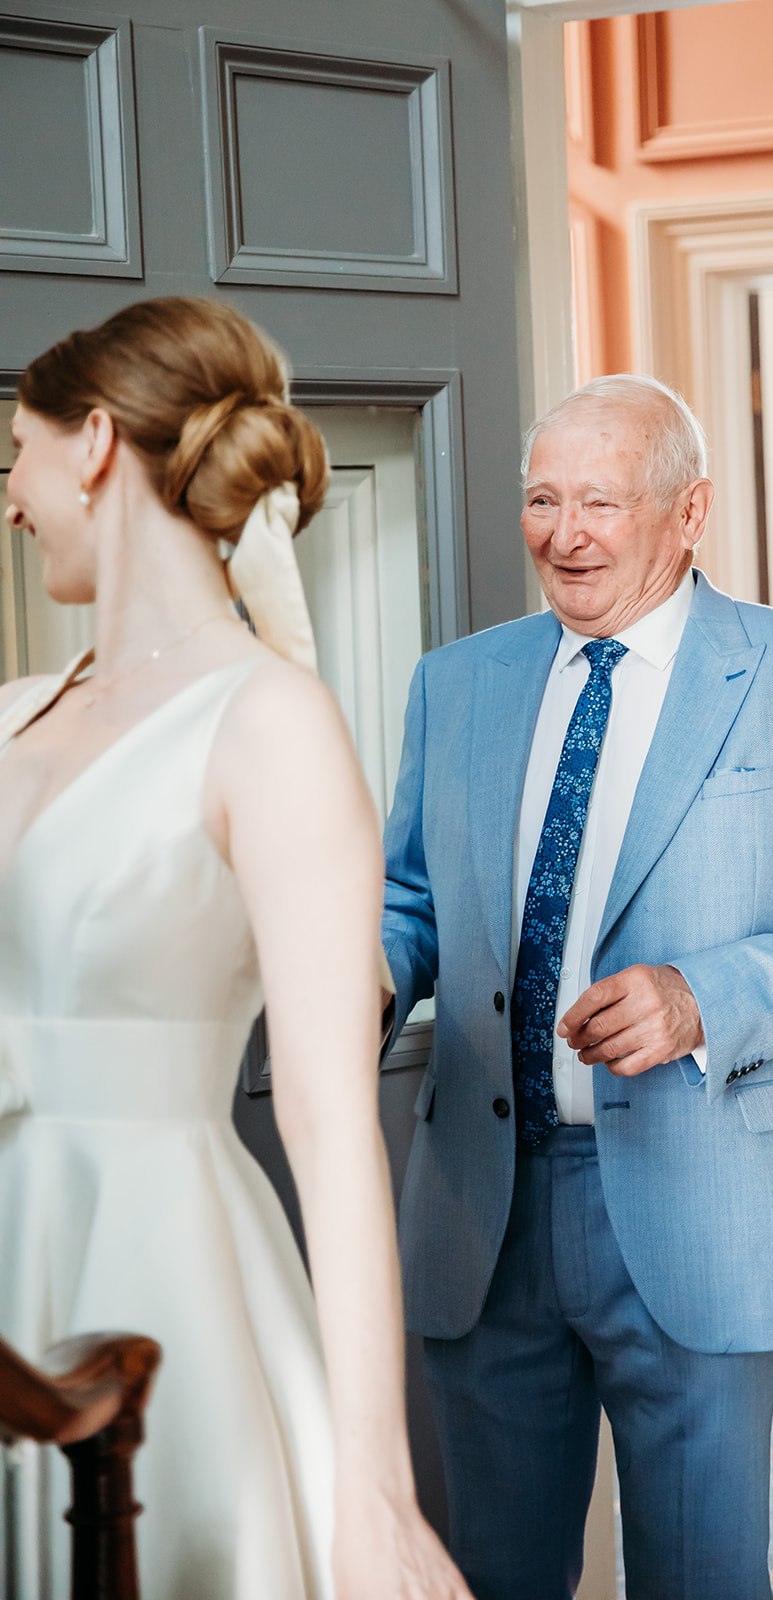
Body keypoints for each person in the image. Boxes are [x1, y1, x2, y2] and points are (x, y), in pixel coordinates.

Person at [380, 374, 773, 1600]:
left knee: (700, 1576)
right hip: (483, 1202)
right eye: (542, 499)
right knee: (495, 1572)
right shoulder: (455, 682)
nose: (563, 534)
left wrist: (702, 996)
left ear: (689, 513)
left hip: (707, 1198)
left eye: (600, 502)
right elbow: (411, 898)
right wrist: (367, 972)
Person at [0, 298, 471, 1600]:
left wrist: (376, 1493)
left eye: (18, 454)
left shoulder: (273, 725)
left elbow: (329, 1122)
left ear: (97, 442)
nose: (10, 497)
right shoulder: (8, 715)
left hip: (156, 1269)